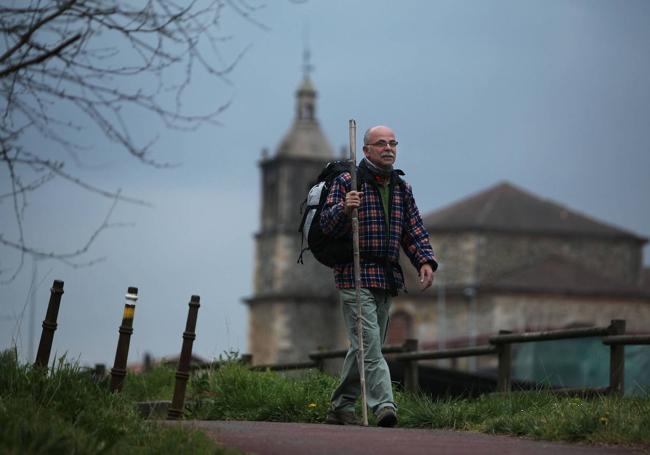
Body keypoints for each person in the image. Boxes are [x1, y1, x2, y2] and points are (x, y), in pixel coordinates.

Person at [320, 125, 437, 427]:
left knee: (363, 345)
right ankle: (384, 405)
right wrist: (345, 209)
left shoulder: (401, 188)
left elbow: (413, 231)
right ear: (366, 150)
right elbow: (326, 224)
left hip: (386, 277)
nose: (388, 148)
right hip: (354, 275)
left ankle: (341, 407)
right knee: (370, 345)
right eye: (381, 143)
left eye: (393, 143)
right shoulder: (348, 181)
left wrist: (424, 261)